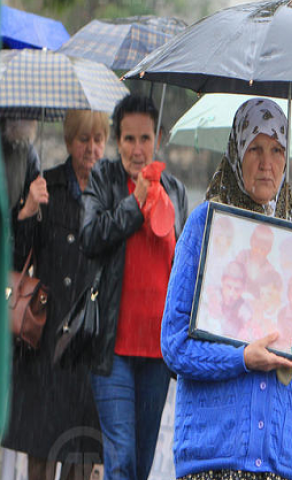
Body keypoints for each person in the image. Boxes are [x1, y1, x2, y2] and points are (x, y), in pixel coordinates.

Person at [161, 98, 292, 480]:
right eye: (255, 149)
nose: (266, 163)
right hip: (213, 455)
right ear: (236, 151)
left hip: (278, 459)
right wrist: (242, 358)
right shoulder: (206, 223)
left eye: (277, 150)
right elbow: (174, 344)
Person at [79, 94, 188, 480]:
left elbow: (184, 267)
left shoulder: (175, 191)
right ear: (117, 140)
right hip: (113, 349)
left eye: (145, 139)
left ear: (158, 138)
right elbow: (90, 236)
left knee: (141, 464)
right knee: (121, 457)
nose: (137, 149)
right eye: (128, 139)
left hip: (158, 352)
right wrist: (134, 203)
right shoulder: (104, 179)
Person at [2, 110, 107, 480]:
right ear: (68, 142)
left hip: (87, 343)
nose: (91, 149)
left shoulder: (112, 192)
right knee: (42, 459)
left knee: (80, 458)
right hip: (46, 343)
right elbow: (16, 259)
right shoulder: (46, 185)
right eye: (83, 140)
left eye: (98, 140)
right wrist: (27, 211)